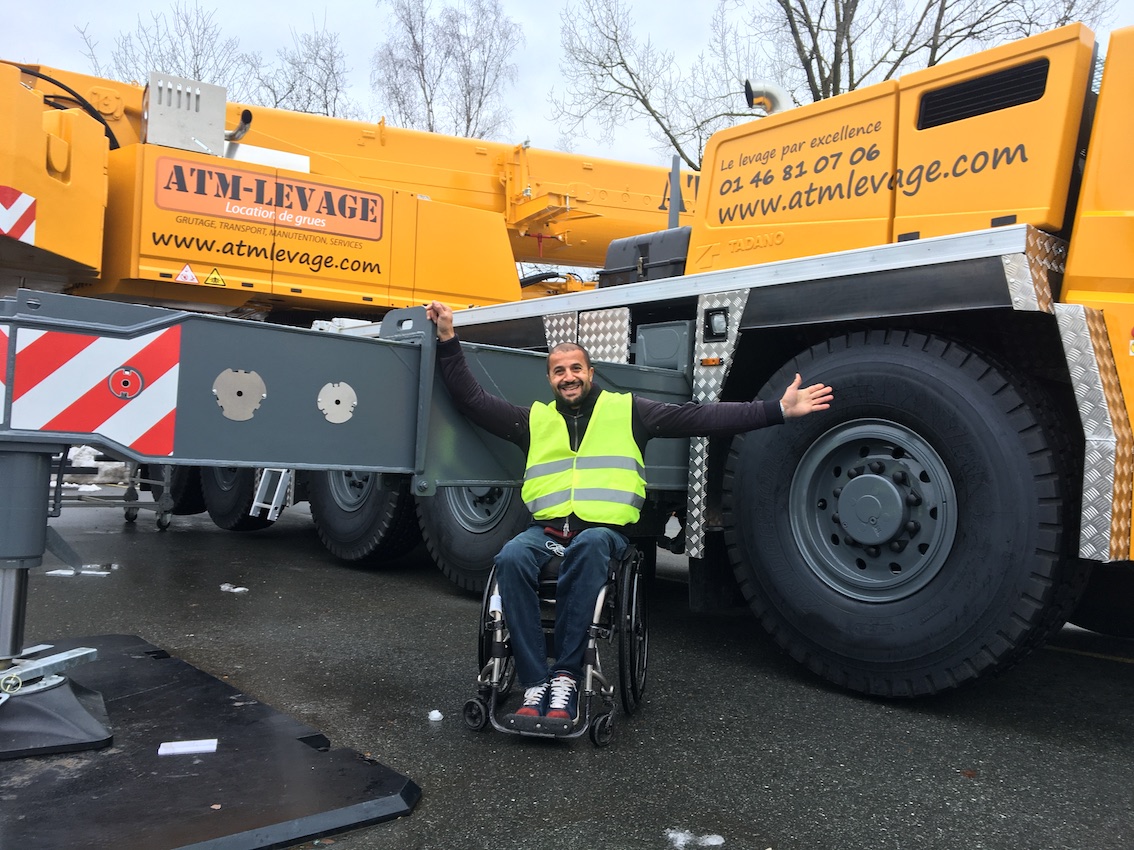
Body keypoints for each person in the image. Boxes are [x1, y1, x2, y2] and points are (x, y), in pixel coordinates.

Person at [426, 301, 833, 728]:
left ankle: (565, 675)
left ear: (590, 372)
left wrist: (777, 410)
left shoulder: (628, 410)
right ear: (549, 378)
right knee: (509, 556)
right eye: (559, 371)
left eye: (575, 368)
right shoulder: (533, 421)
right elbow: (471, 400)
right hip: (544, 532)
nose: (568, 377)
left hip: (604, 534)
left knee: (590, 543)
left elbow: (699, 416)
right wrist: (448, 339)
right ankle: (534, 683)